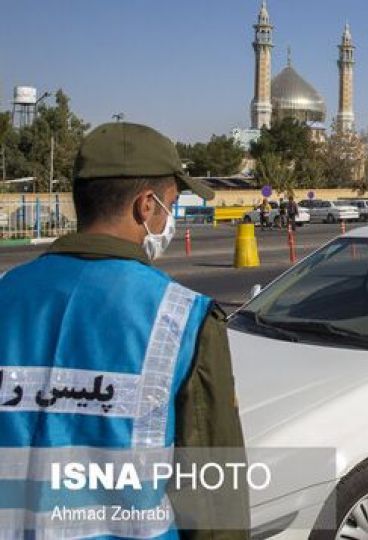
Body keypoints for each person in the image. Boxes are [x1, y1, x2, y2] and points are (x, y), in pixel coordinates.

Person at [0, 122, 249, 538]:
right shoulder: (182, 317)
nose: (170, 217)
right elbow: (212, 496)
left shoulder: (8, 291)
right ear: (146, 206)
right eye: (172, 203)